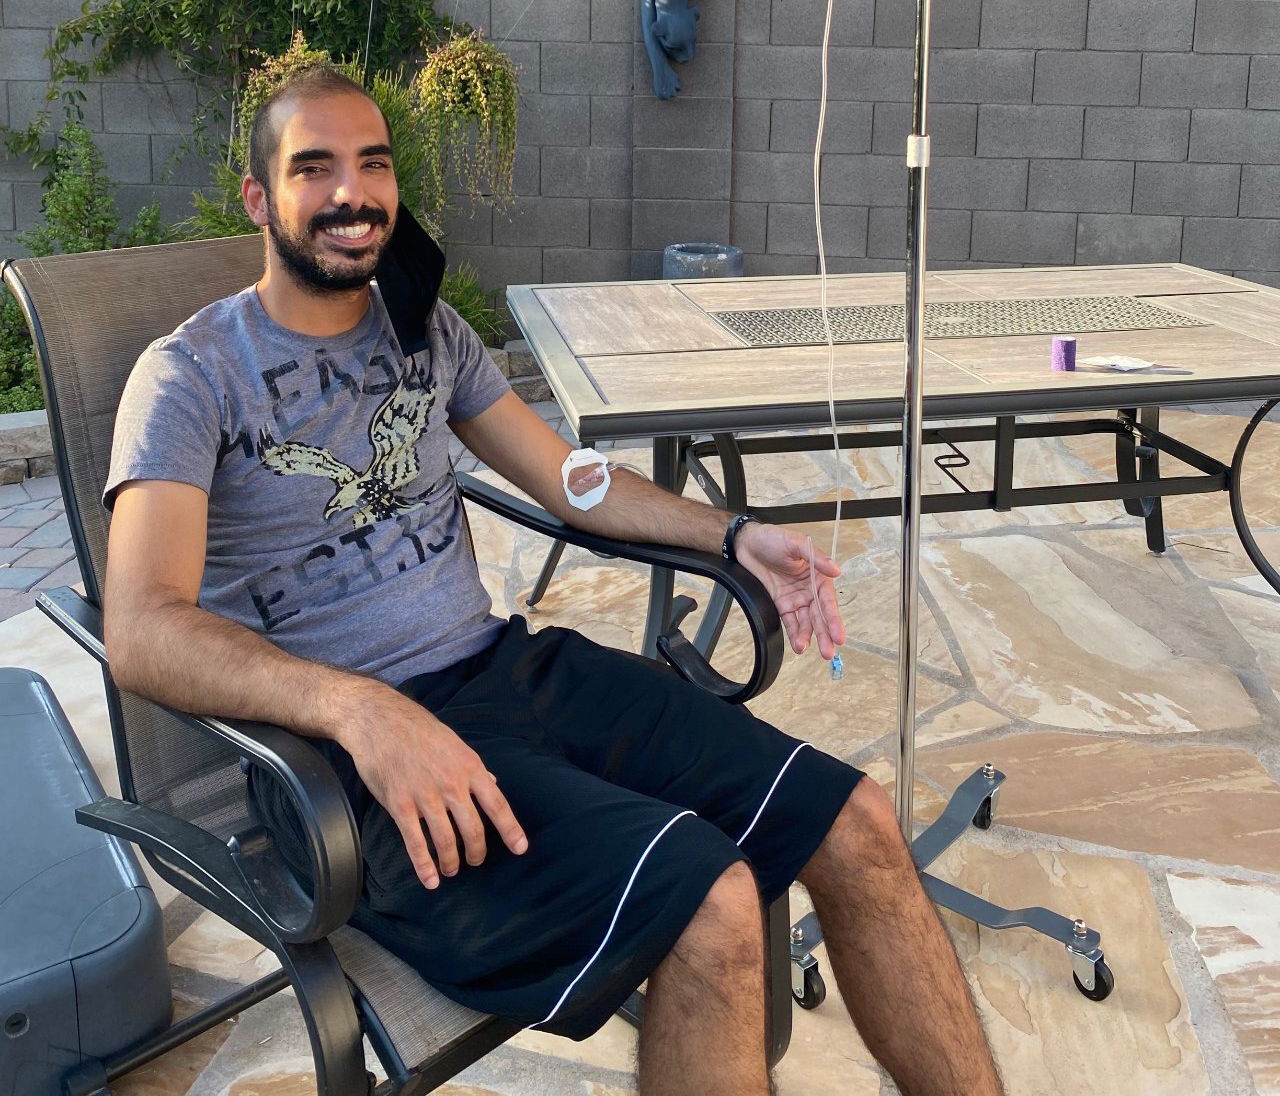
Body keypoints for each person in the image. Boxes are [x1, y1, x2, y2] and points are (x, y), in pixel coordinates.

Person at [104, 66, 1004, 1096]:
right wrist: (355, 708)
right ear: (260, 199)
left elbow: (568, 479)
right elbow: (142, 627)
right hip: (353, 773)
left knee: (859, 823)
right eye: (315, 167)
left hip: (511, 676)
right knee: (711, 901)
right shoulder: (189, 375)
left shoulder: (423, 331)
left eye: (374, 164)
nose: (352, 193)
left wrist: (731, 533)